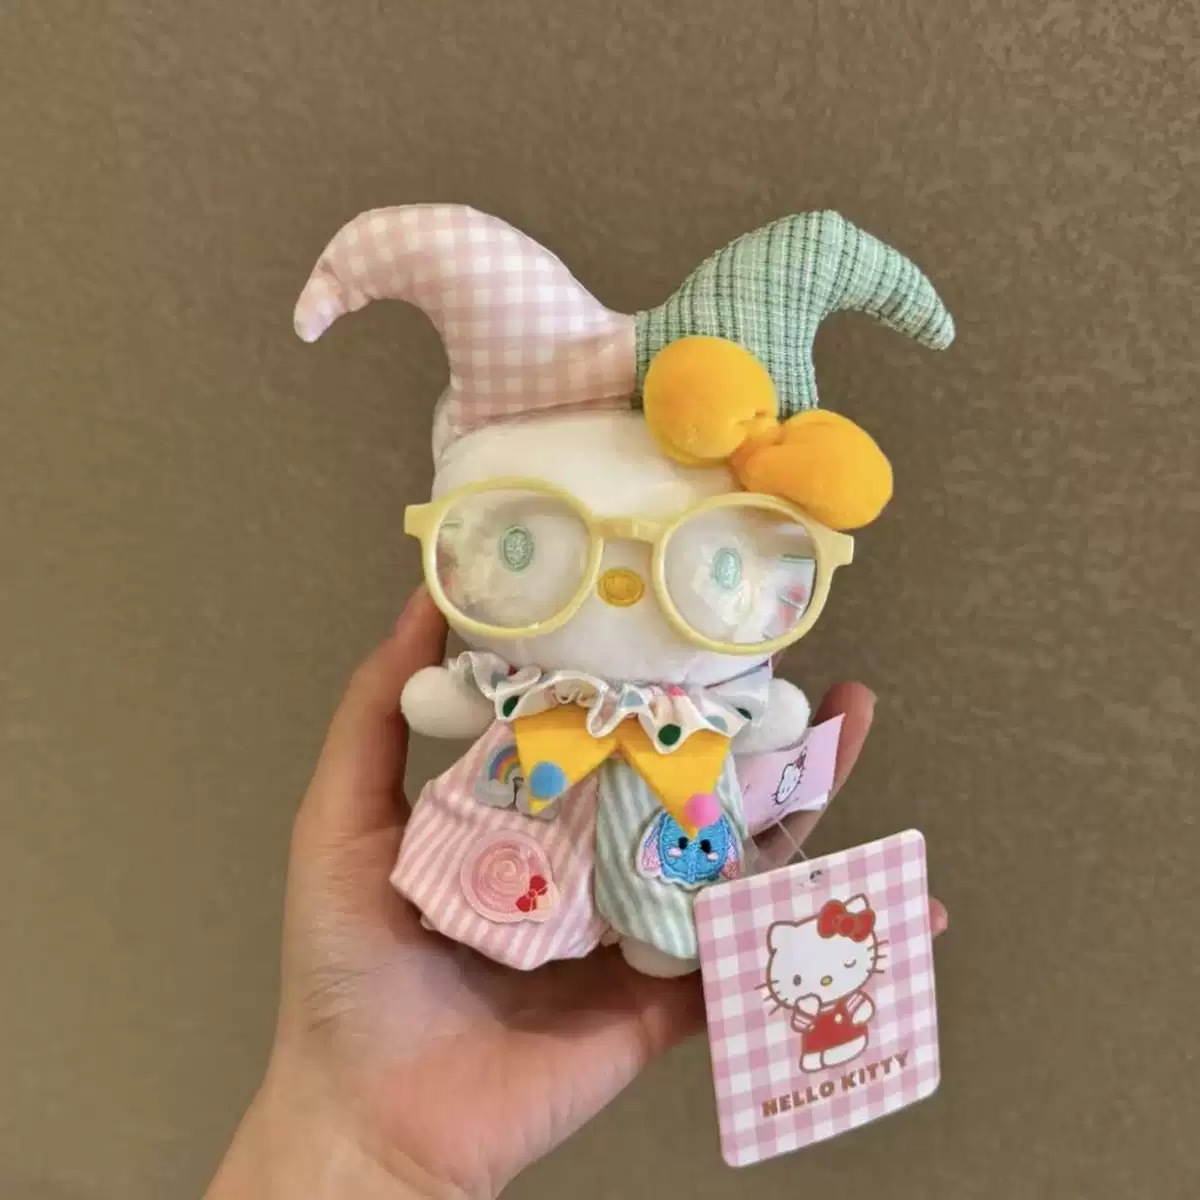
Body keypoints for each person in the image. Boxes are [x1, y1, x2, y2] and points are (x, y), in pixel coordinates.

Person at [205, 590, 948, 1199]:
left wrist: (361, 1150)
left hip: (681, 776)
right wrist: (360, 1141)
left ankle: (665, 926)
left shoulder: (708, 701)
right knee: (514, 858)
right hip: (536, 780)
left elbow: (767, 714)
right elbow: (455, 697)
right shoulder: (532, 685)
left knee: (683, 886)